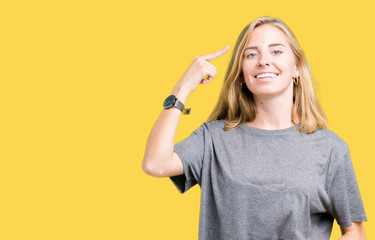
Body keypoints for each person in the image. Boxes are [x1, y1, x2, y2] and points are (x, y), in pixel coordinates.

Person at [142, 16, 367, 239]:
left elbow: (355, 233)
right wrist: (182, 88)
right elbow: (155, 164)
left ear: (296, 67)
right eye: (251, 54)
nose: (263, 60)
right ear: (241, 74)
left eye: (276, 51)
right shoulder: (213, 139)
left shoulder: (330, 149)